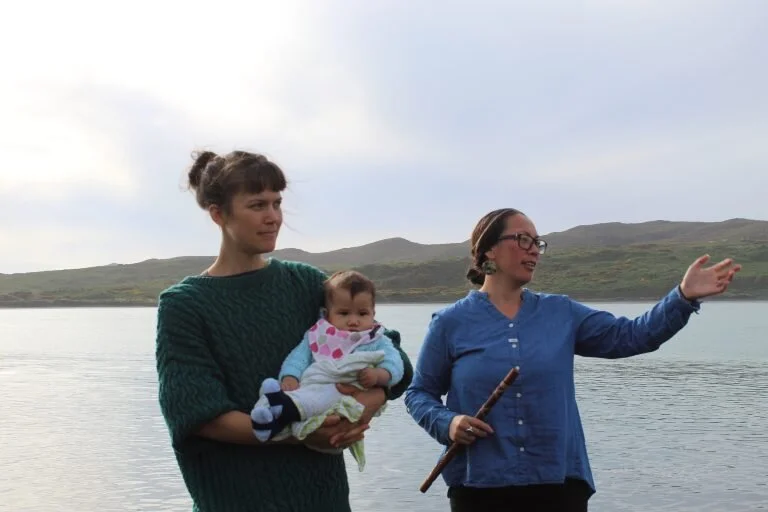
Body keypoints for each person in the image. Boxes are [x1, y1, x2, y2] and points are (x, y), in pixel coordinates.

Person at [404, 208, 740, 512]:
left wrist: (682, 297)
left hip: (559, 484)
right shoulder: (450, 323)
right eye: (523, 240)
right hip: (479, 485)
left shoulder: (561, 312)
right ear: (489, 249)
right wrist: (448, 423)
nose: (534, 250)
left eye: (538, 243)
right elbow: (419, 393)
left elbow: (632, 336)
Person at [154, 149, 413, 512]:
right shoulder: (185, 305)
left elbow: (392, 354)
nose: (273, 217)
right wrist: (300, 433)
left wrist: (366, 402)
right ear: (218, 214)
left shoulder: (305, 283)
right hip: (235, 501)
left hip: (322, 500)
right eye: (257, 205)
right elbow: (200, 417)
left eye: (277, 203)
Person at [250, 270, 404, 471]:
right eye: (344, 313)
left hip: (345, 394)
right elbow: (298, 358)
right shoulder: (319, 335)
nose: (353, 321)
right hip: (314, 385)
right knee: (295, 394)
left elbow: (396, 365)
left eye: (362, 313)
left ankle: (283, 413)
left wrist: (379, 377)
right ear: (327, 313)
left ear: (373, 314)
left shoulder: (376, 339)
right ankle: (266, 417)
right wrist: (290, 376)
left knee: (318, 397)